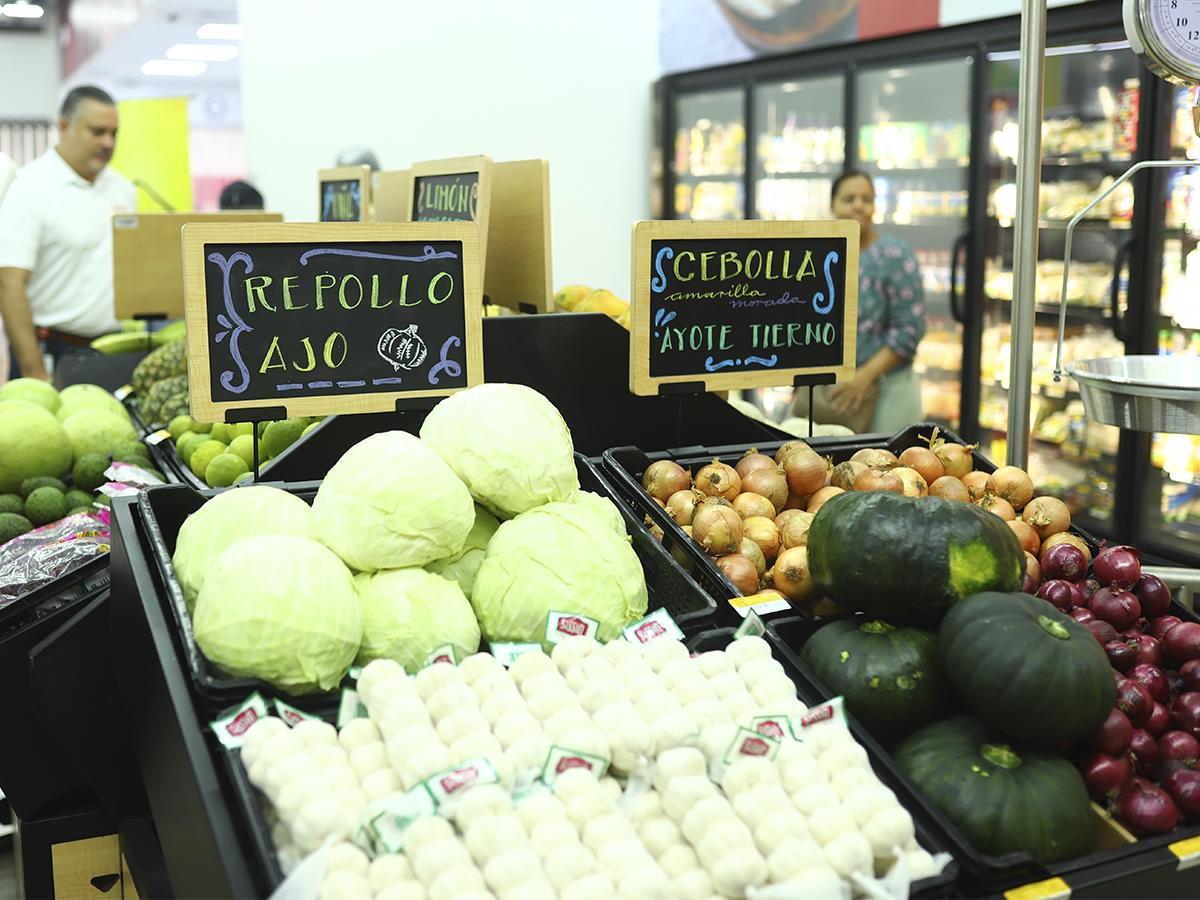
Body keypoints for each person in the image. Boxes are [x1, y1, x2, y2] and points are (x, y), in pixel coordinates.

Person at [0, 85, 136, 382]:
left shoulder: (124, 190)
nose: (108, 142)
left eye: (114, 133)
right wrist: (34, 369)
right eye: (97, 131)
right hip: (50, 352)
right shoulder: (28, 188)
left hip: (114, 349)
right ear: (63, 127)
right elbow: (9, 284)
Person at [793, 169, 926, 433]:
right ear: (832, 205)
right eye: (849, 199)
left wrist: (863, 378)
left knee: (884, 457)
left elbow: (909, 330)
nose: (859, 206)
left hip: (888, 389)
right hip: (830, 392)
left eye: (867, 199)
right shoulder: (816, 255)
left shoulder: (894, 255)